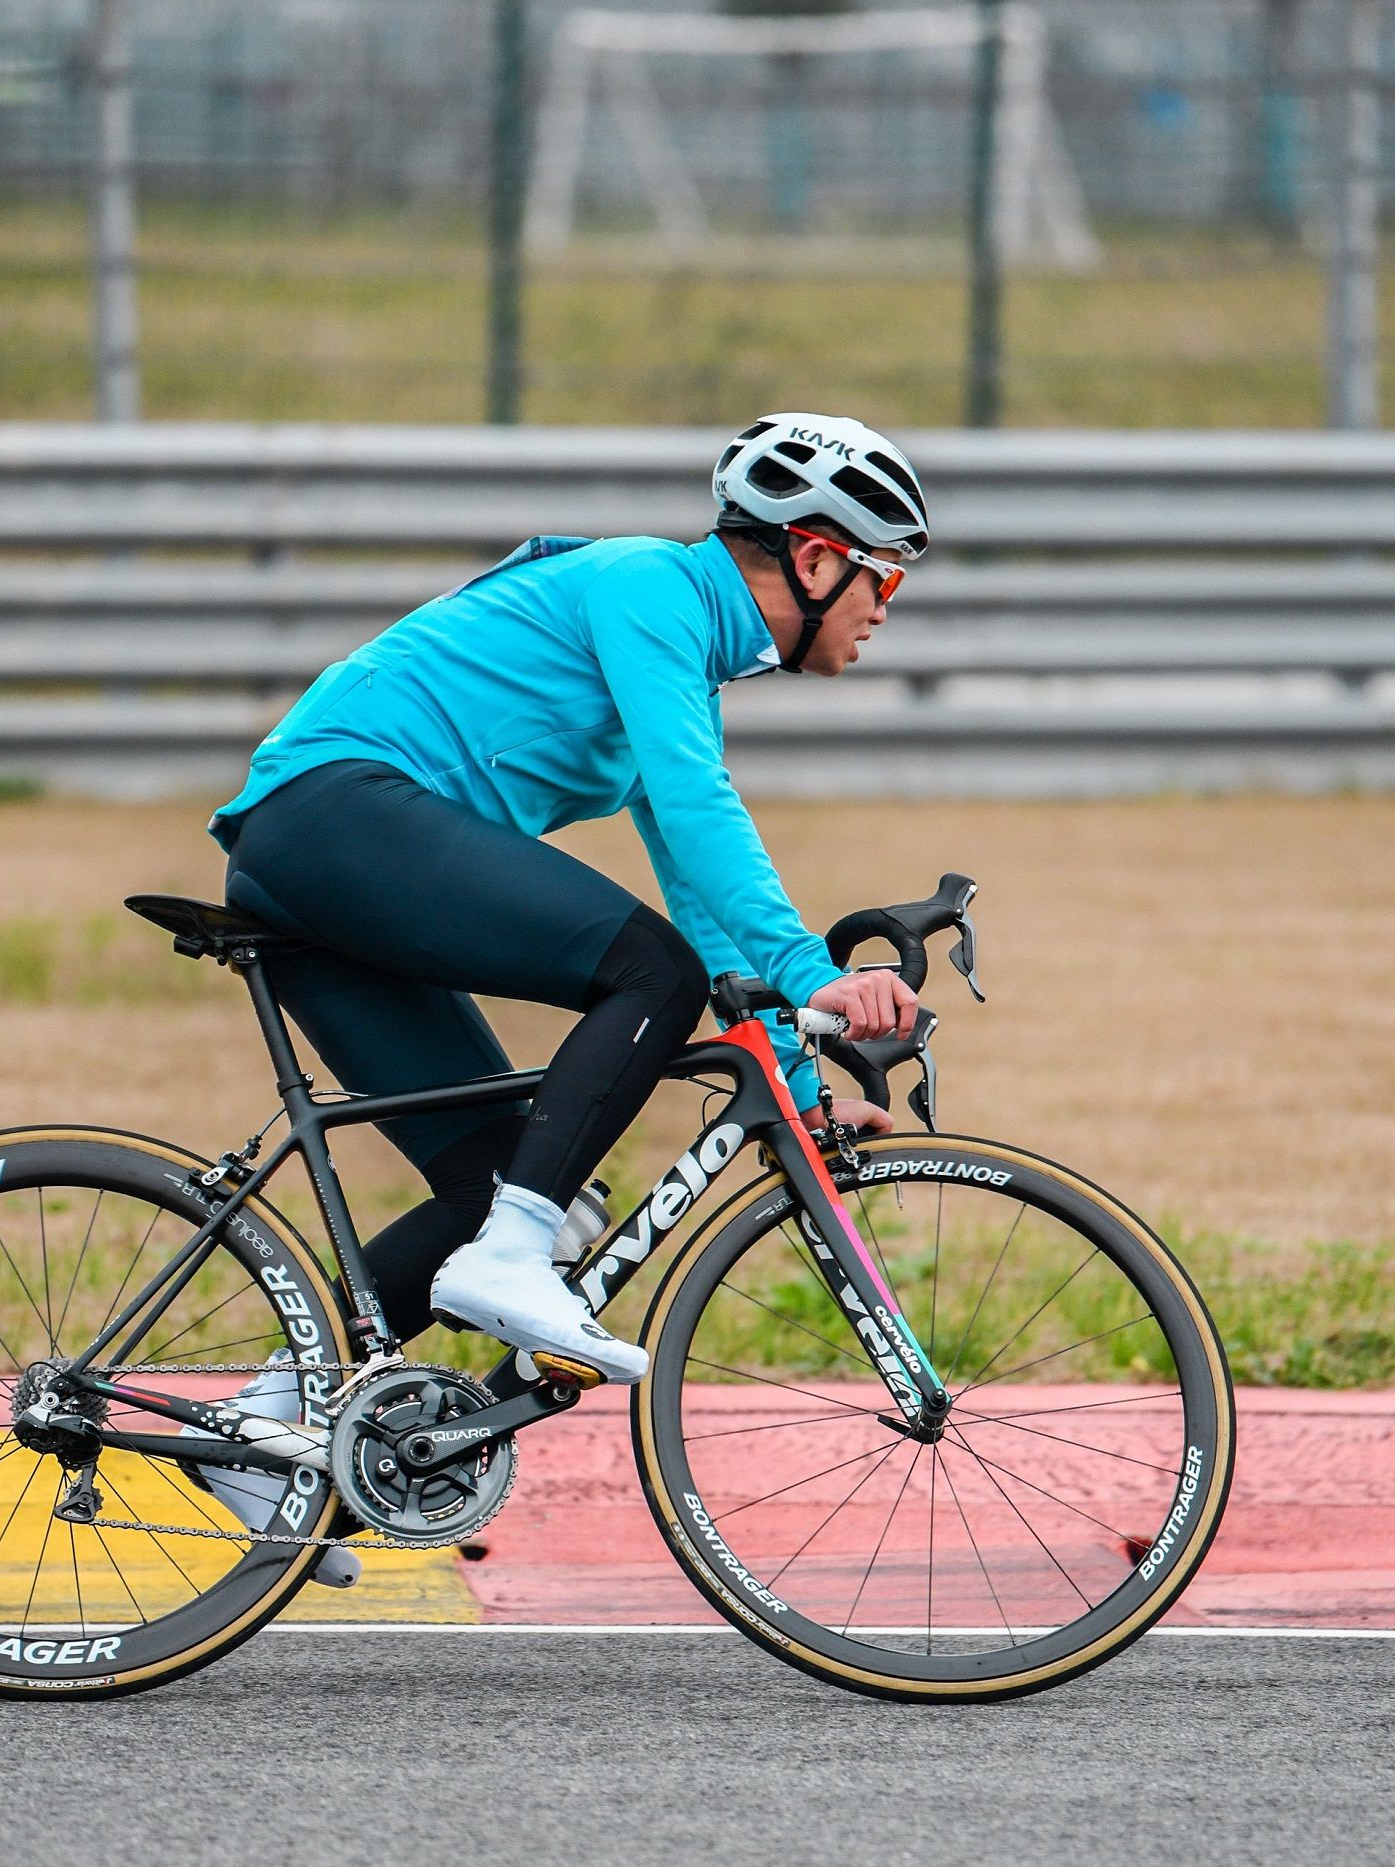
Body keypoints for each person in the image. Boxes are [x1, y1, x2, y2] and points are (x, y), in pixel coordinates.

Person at [206, 412, 931, 1387]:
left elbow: (703, 900)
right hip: (337, 816)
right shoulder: (653, 588)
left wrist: (802, 1097)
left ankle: (271, 1425)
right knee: (648, 971)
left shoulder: (675, 661)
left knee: (498, 1186)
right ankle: (512, 1260)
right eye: (882, 575)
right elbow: (695, 800)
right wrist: (814, 968)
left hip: (321, 859)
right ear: (811, 558)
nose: (884, 606)